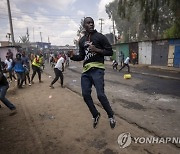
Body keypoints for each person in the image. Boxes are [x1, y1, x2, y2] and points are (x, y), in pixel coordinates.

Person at [69, 17, 116, 129]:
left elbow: (110, 52)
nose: (91, 24)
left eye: (92, 23)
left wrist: (97, 50)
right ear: (84, 25)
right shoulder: (81, 41)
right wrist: (72, 56)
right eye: (88, 23)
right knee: (85, 95)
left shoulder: (100, 37)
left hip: (97, 69)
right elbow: (81, 56)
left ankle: (111, 115)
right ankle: (95, 115)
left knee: (100, 95)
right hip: (86, 71)